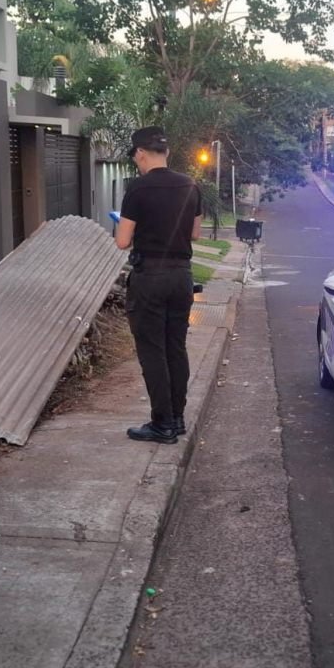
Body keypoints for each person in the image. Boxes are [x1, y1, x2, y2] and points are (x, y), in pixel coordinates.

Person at [115, 126, 203, 444]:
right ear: (165, 152)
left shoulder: (138, 189)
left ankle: (161, 424)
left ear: (140, 153)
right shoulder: (191, 186)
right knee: (175, 348)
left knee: (152, 351)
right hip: (182, 276)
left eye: (136, 157)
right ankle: (177, 418)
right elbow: (195, 234)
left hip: (150, 277)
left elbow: (122, 241)